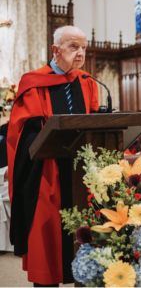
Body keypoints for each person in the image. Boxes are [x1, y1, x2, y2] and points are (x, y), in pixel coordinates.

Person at [7, 26, 99, 286]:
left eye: (83, 47)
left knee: (85, 235)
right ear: (56, 50)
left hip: (81, 174)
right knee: (47, 233)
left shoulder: (88, 82)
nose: (80, 53)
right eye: (73, 47)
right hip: (47, 174)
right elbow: (26, 133)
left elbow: (95, 122)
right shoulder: (33, 83)